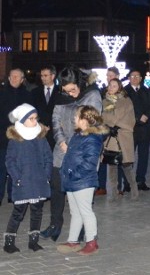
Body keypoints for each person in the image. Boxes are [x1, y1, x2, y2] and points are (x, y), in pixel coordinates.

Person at [40, 67, 102, 243]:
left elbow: (91, 124)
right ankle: (55, 225)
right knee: (57, 187)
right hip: (62, 150)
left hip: (81, 151)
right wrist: (61, 141)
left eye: (73, 90)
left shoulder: (92, 95)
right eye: (67, 91)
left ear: (80, 83)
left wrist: (73, 146)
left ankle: (83, 230)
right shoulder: (62, 96)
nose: (71, 94)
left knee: (81, 191)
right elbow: (55, 119)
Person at [56, 106, 108, 256]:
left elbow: (89, 163)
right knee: (75, 212)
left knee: (85, 211)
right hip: (72, 179)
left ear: (85, 120)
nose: (74, 119)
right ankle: (73, 241)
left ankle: (92, 242)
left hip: (83, 181)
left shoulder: (92, 138)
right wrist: (65, 171)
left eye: (76, 116)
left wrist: (73, 173)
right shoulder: (78, 135)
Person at [3, 104, 52, 253]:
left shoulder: (40, 138)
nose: (34, 121)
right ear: (22, 120)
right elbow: (9, 161)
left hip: (38, 181)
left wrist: (46, 175)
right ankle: (9, 243)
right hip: (23, 182)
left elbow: (48, 157)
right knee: (18, 212)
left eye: (35, 118)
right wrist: (17, 178)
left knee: (37, 211)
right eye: (31, 119)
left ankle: (33, 241)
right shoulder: (16, 140)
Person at [101, 78, 138, 201]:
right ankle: (113, 193)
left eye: (114, 86)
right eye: (110, 85)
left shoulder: (126, 101)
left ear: (120, 87)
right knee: (111, 165)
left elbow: (128, 118)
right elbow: (104, 118)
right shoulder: (105, 101)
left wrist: (116, 125)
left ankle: (134, 190)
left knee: (126, 166)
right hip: (111, 137)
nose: (111, 88)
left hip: (123, 136)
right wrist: (109, 125)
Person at [0, 68, 33, 201]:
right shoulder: (1, 94)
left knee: (17, 167)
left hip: (20, 137)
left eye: (17, 77)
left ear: (22, 79)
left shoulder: (27, 95)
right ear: (8, 78)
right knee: (2, 167)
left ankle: (13, 194)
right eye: (12, 76)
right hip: (2, 136)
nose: (14, 79)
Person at [124, 70, 150, 191]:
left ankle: (141, 180)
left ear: (141, 78)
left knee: (144, 156)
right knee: (128, 157)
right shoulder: (125, 92)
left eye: (137, 76)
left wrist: (146, 115)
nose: (135, 78)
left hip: (145, 129)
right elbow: (124, 108)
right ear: (129, 78)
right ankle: (128, 182)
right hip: (130, 129)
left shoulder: (146, 91)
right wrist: (137, 117)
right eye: (132, 76)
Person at [31, 66, 59, 149]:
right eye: (41, 76)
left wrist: (51, 125)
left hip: (55, 132)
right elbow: (33, 111)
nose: (42, 78)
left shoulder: (60, 92)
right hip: (39, 131)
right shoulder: (35, 92)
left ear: (53, 76)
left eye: (45, 75)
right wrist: (40, 124)